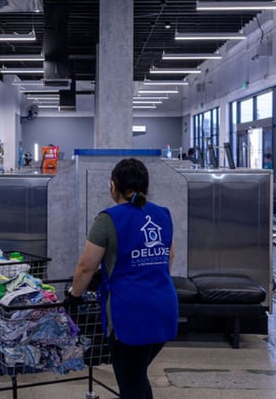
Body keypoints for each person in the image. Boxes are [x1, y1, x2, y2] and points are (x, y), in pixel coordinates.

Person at [65, 158, 179, 399]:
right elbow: (168, 257)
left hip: (129, 314)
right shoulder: (163, 214)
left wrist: (73, 297)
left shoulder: (108, 219)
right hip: (163, 307)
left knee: (132, 386)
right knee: (137, 379)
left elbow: (86, 267)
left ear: (113, 186)